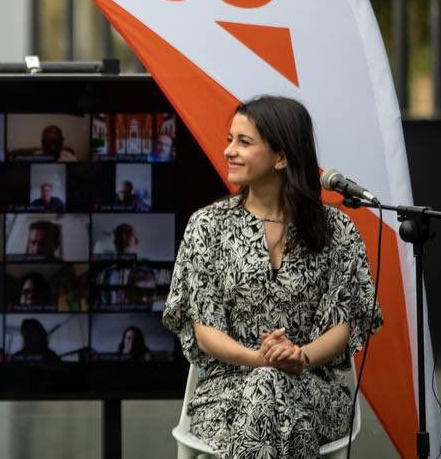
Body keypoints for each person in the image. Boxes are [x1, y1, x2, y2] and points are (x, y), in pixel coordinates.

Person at [162, 96, 382, 458]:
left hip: (313, 391)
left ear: (281, 157)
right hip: (225, 394)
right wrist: (260, 360)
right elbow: (205, 330)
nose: (229, 151)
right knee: (266, 387)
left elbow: (342, 326)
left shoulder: (336, 230)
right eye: (230, 139)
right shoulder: (207, 227)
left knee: (270, 391)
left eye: (243, 142)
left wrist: (300, 357)